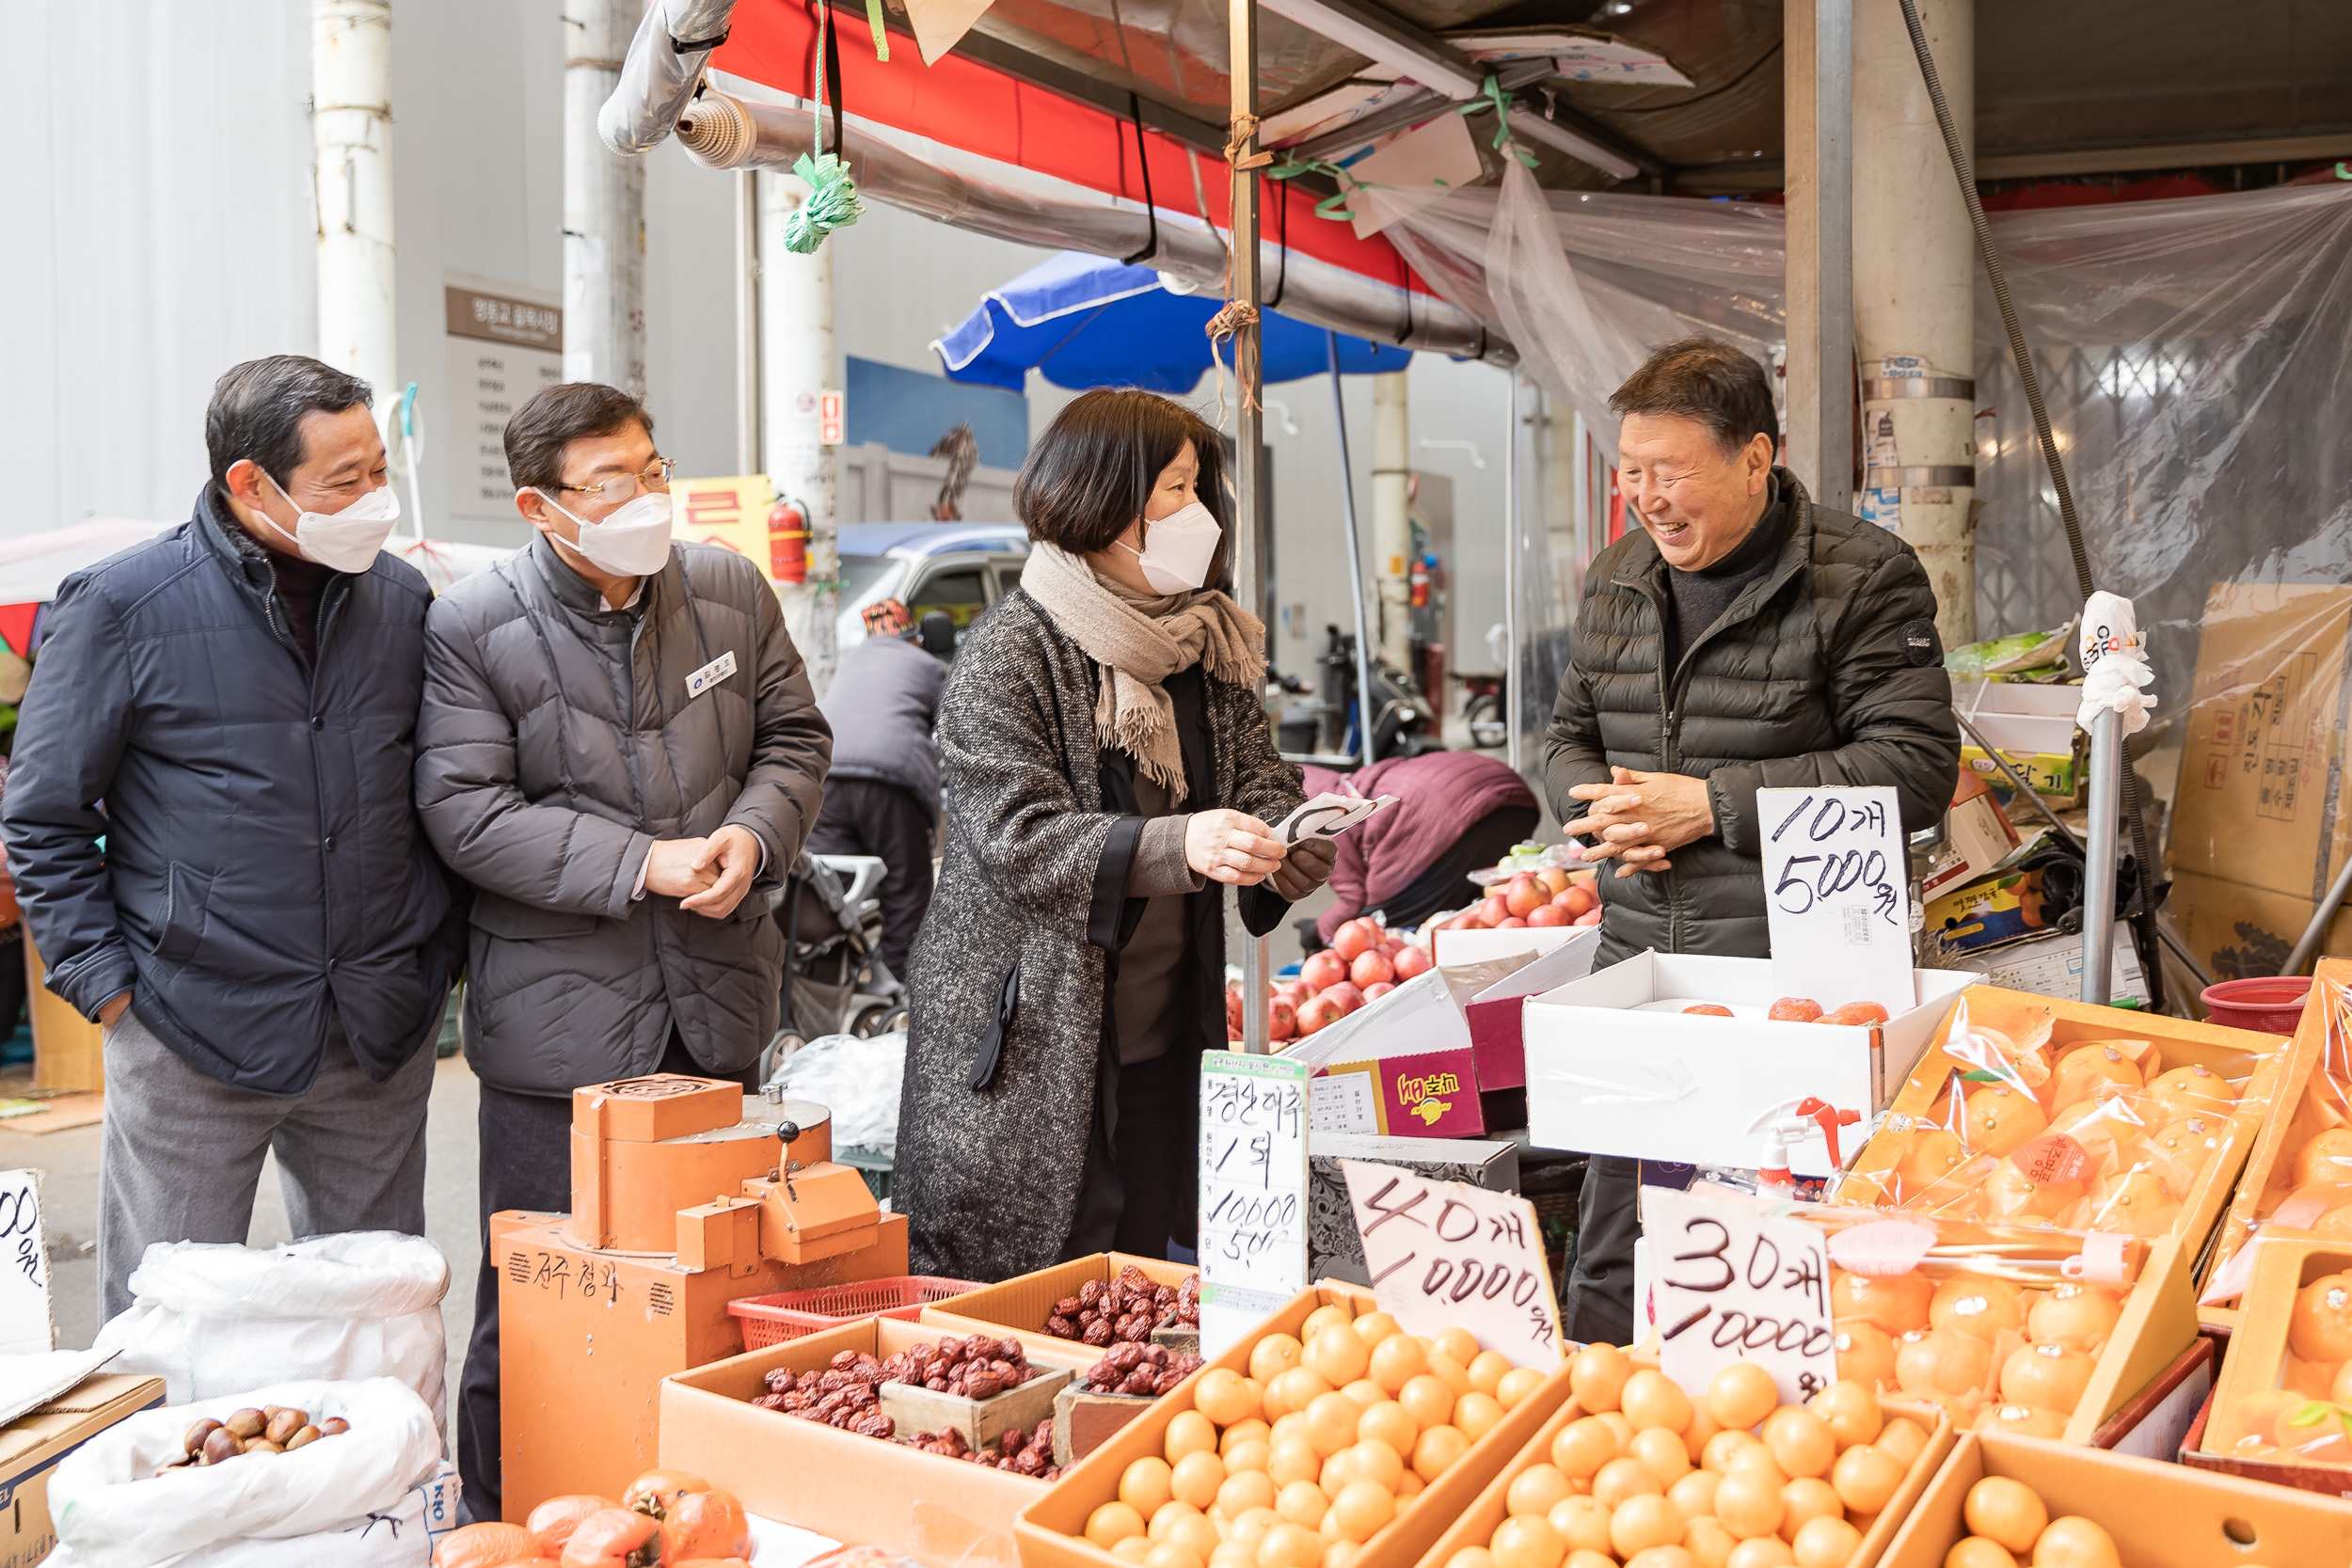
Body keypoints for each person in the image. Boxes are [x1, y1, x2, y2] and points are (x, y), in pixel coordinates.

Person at [414, 382, 832, 1520]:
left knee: (720, 1290)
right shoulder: (473, 624)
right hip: (560, 1031)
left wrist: (753, 833)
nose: (647, 496)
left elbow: (795, 736)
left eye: (652, 468)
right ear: (541, 506)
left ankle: (696, 1517)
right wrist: (637, 862)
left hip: (716, 1006)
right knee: (544, 1297)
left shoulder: (729, 589)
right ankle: (510, 1518)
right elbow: (466, 810)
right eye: (612, 482)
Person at [1, 356, 462, 1321]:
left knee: (378, 1323)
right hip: (187, 1028)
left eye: (379, 470)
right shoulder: (123, 605)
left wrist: (431, 955)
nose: (373, 498)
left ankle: (380, 1480)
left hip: (373, 1029)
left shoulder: (401, 602)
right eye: (345, 481)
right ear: (248, 484)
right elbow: (44, 814)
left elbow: (435, 790)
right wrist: (109, 986)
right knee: (170, 1327)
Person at [1543, 337, 1961, 1344]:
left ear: (1754, 459)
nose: (1649, 496)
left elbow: (1913, 768)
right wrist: (1596, 808)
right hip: (1640, 961)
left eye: (1672, 471)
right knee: (1616, 1256)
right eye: (1632, 472)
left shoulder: (1861, 575)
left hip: (1799, 981)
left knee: (1780, 1262)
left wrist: (1711, 805)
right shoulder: (1619, 576)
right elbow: (1566, 736)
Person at [895, 388, 1333, 1278]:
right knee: (1026, 1307)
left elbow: (1258, 775)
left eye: (1199, 488)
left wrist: (1283, 843)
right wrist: (1182, 844)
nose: (1199, 513)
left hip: (1163, 1039)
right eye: (1175, 489)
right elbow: (1021, 837)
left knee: (1136, 1285)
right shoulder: (1009, 654)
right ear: (1103, 501)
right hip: (1025, 1054)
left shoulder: (1203, 642)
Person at [806, 598, 945, 984]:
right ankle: (899, 980)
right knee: (905, 882)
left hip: (825, 774)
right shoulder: (928, 666)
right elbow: (954, 727)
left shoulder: (851, 662)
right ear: (913, 638)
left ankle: (829, 976)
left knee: (833, 883)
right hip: (893, 779)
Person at [1301, 751, 1540, 943]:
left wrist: (1319, 931)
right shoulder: (1332, 784)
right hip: (1513, 798)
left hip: (1453, 816)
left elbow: (1353, 896)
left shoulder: (1315, 815)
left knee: (1377, 931)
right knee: (1480, 914)